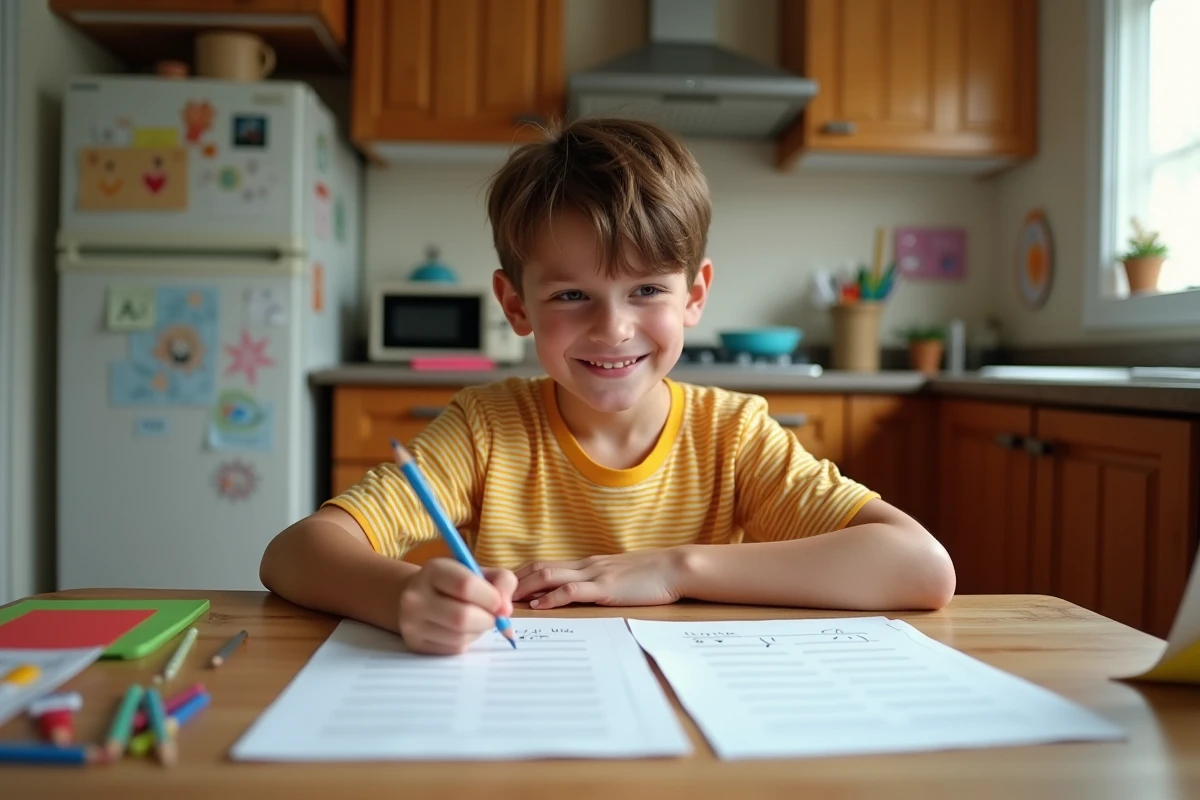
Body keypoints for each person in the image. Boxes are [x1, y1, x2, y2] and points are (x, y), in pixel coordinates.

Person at [259, 118, 955, 655]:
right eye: (571, 296)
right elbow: (292, 553)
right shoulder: (486, 429)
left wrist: (675, 569)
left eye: (647, 288)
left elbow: (922, 569)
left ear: (695, 294)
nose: (614, 328)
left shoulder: (733, 435)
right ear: (516, 305)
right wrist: (406, 594)